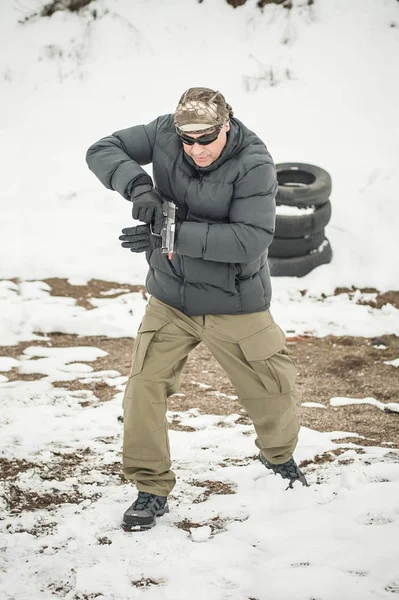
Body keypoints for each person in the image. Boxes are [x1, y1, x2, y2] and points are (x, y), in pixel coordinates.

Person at [86, 87, 308, 532]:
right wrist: (141, 189)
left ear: (226, 124)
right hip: (171, 297)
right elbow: (102, 149)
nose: (196, 149)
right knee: (143, 389)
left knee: (275, 392)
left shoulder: (255, 163)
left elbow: (250, 239)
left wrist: (169, 235)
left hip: (235, 302)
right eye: (187, 140)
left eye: (206, 138)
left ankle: (278, 456)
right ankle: (150, 488)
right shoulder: (165, 133)